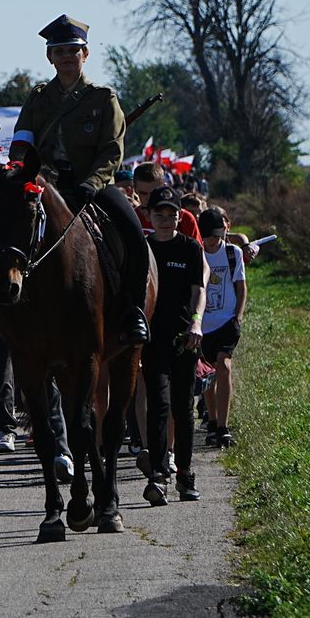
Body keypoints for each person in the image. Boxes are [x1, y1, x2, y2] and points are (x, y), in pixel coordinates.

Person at [8, 14, 149, 345]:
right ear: (50, 57)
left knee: (132, 235)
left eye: (74, 50)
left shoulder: (103, 97)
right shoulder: (39, 97)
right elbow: (22, 141)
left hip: (91, 185)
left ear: (85, 55)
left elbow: (112, 152)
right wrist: (15, 173)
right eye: (60, 51)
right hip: (43, 183)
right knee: (0, 231)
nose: (67, 57)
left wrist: (93, 183)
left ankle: (134, 312)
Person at [141, 187, 207, 505]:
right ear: (149, 217)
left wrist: (196, 322)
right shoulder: (144, 249)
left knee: (183, 410)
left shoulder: (190, 249)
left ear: (181, 217)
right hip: (153, 340)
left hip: (185, 339)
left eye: (172, 215)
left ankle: (185, 474)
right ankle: (157, 475)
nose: (166, 221)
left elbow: (199, 290)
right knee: (158, 406)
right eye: (159, 215)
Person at [198, 208, 246, 448]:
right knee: (208, 374)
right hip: (203, 325)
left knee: (223, 364)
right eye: (208, 237)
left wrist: (237, 316)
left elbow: (241, 286)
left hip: (227, 320)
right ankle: (213, 420)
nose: (212, 242)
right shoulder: (196, 254)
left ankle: (223, 426)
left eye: (216, 237)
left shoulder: (232, 253)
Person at [133, 163, 202, 243]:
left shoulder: (185, 219)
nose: (148, 198)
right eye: (143, 193)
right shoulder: (130, 219)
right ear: (135, 190)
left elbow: (197, 253)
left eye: (153, 193)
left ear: (164, 186)